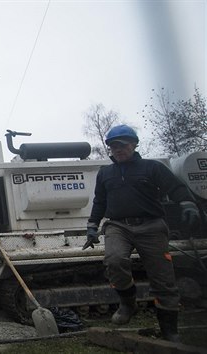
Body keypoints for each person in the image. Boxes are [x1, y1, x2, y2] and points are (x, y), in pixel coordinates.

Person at [83, 124, 200, 343]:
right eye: (113, 146)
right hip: (118, 226)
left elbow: (175, 187)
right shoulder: (105, 174)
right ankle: (128, 302)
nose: (118, 150)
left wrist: (187, 203)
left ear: (134, 144)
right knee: (115, 260)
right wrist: (92, 226)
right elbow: (100, 201)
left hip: (151, 226)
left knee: (162, 278)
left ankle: (169, 330)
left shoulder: (151, 168)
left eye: (123, 145)